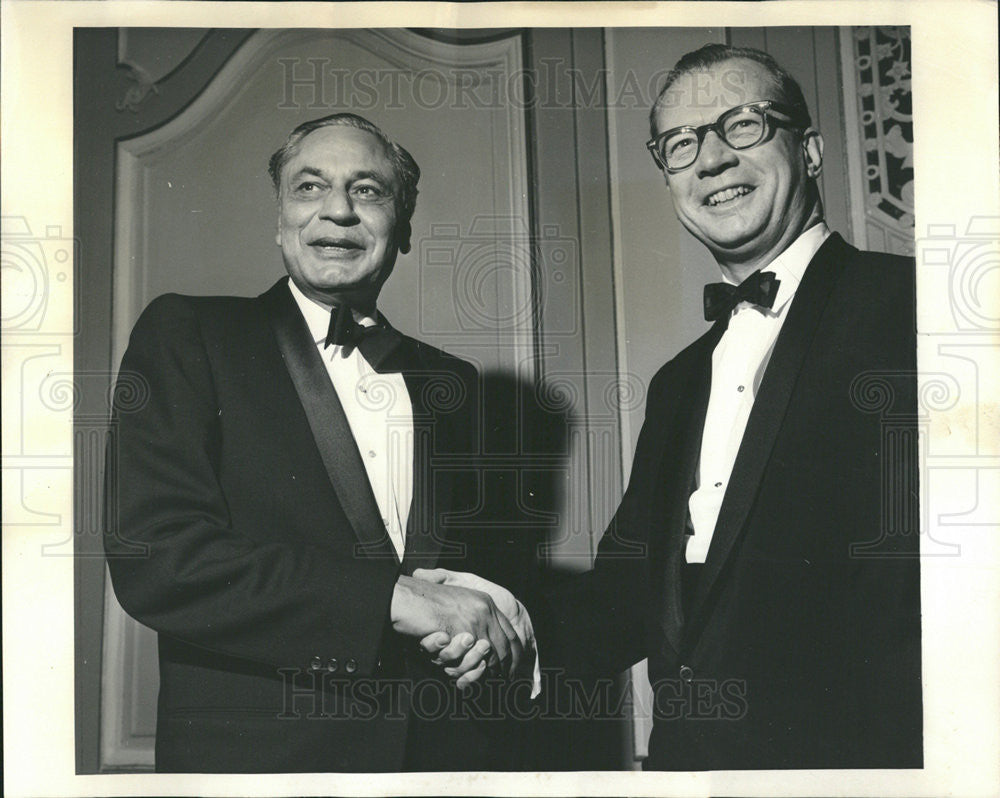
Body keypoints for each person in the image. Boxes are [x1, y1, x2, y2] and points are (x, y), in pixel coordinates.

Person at [418, 44, 922, 770]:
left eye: (741, 125)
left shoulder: (910, 308)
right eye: (682, 143)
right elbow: (626, 597)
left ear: (809, 150)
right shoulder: (679, 381)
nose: (710, 158)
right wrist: (498, 617)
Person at [103, 112, 533, 773]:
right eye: (309, 187)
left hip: (442, 762)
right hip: (262, 768)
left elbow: (467, 577)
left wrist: (491, 618)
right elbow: (161, 559)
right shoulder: (189, 335)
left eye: (367, 190)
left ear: (405, 224)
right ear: (280, 221)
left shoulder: (453, 383)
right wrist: (396, 601)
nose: (337, 211)